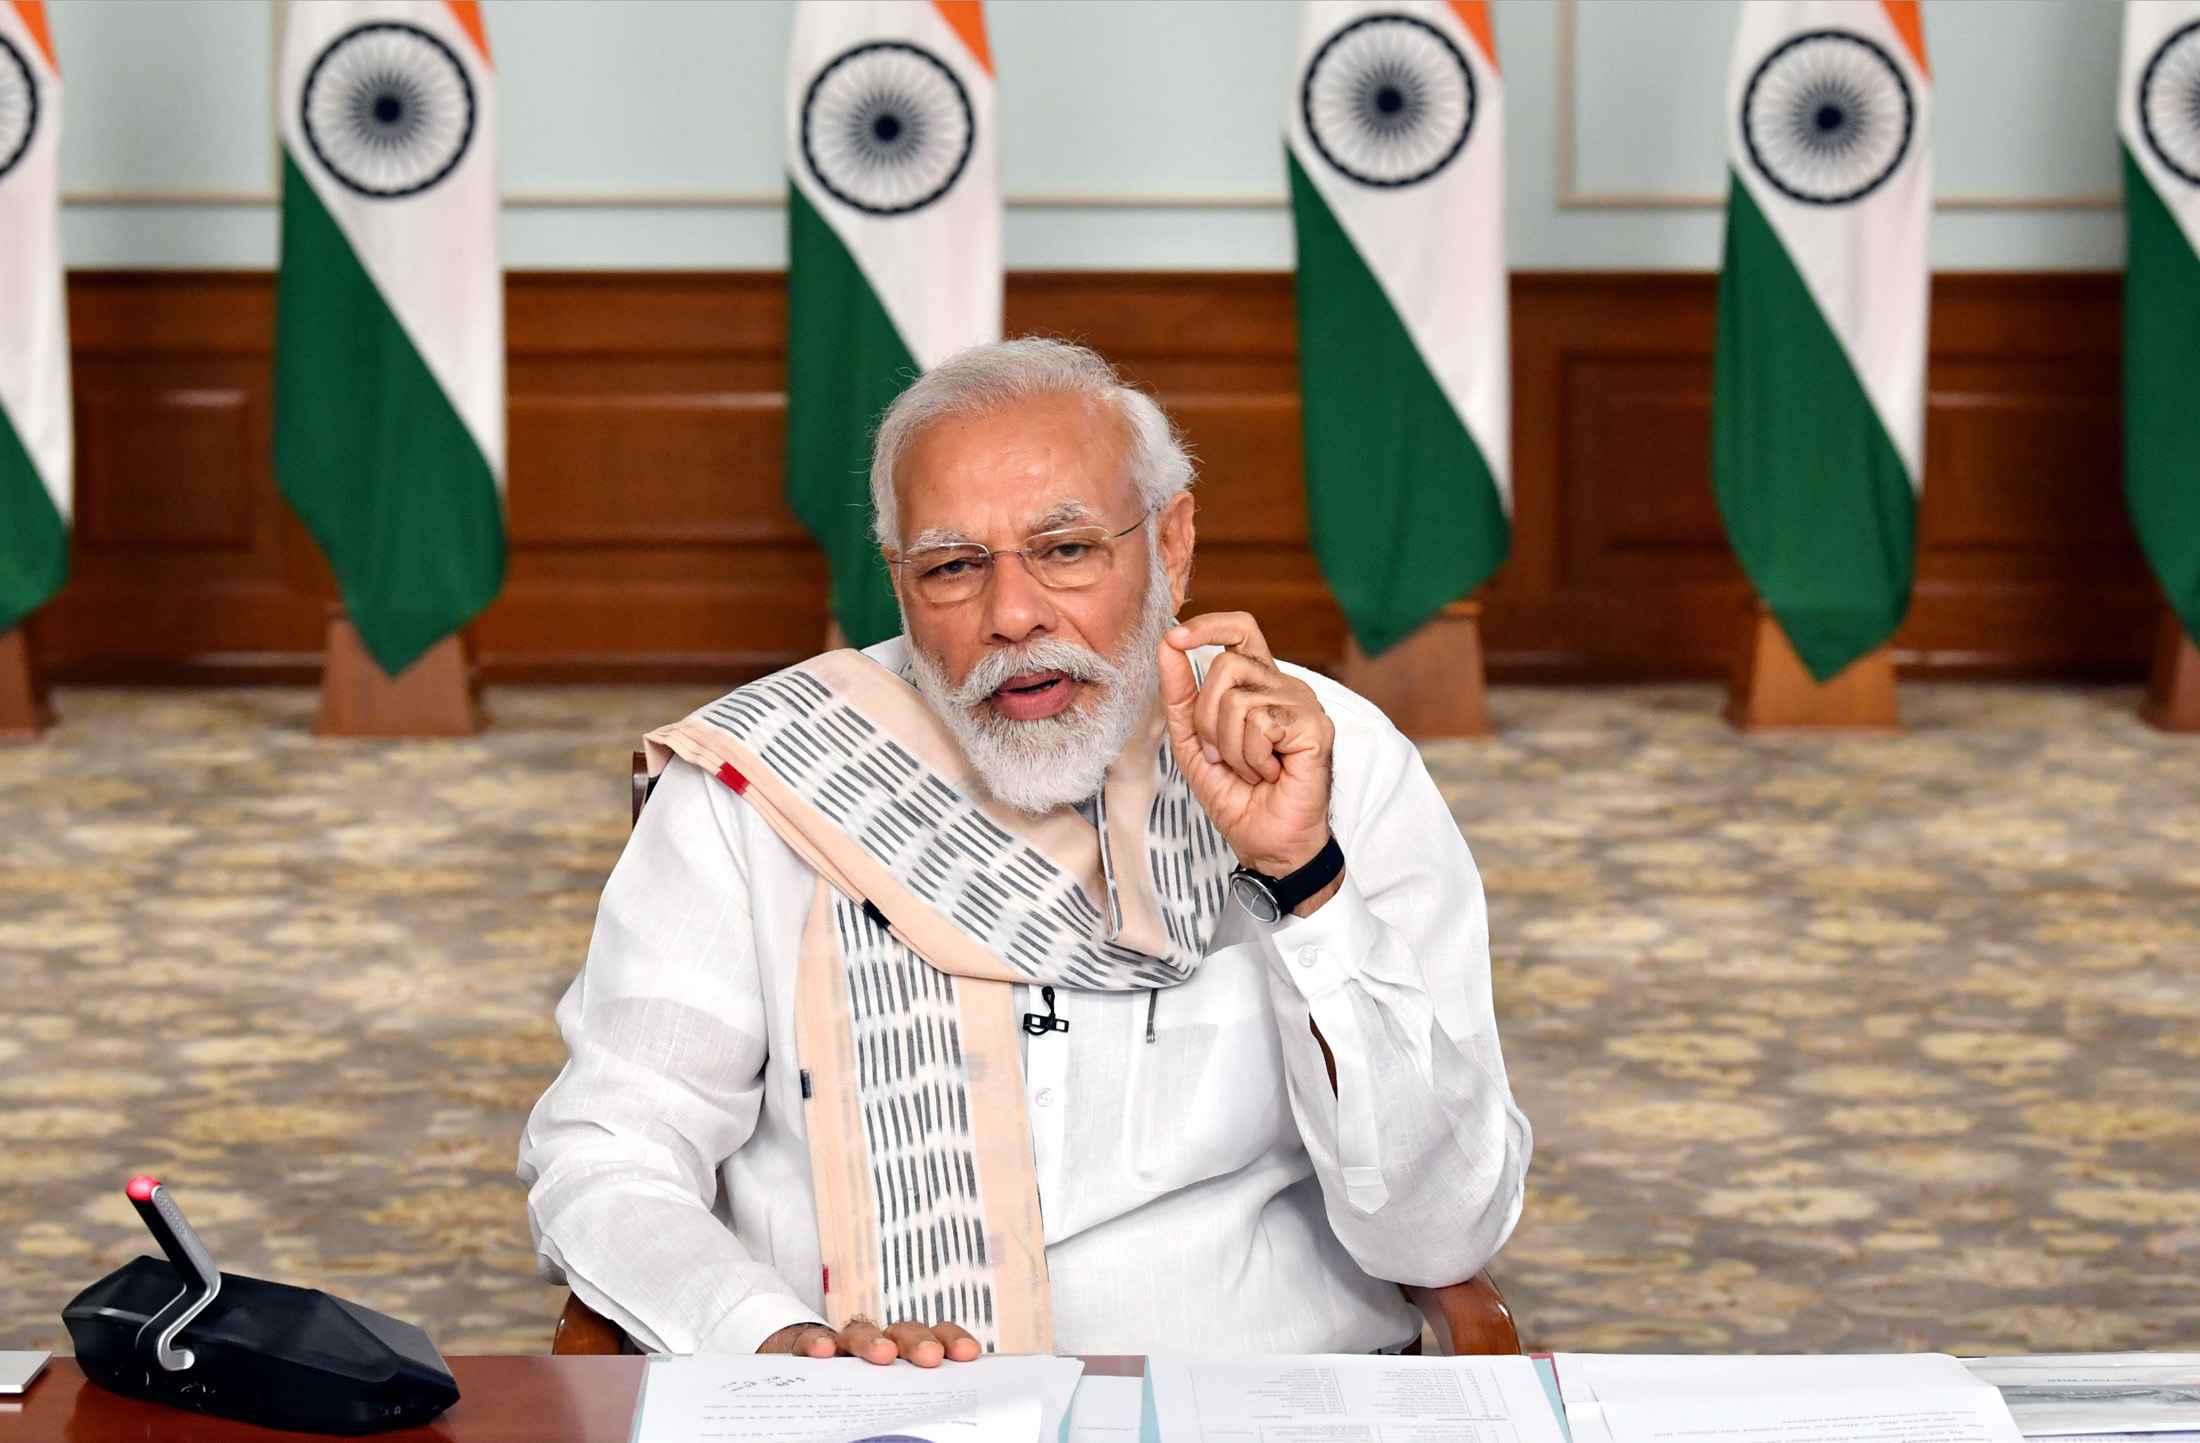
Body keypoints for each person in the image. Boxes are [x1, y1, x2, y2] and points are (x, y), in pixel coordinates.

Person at [517, 338, 1530, 1364]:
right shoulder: (763, 781)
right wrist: (773, 1343)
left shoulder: (1330, 762)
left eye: (1067, 550)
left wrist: (1305, 879)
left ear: (1171, 544)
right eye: (953, 567)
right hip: (863, 1407)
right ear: (899, 582)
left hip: (1259, 1400)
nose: (1012, 616)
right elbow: (610, 1156)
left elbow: (1443, 1231)